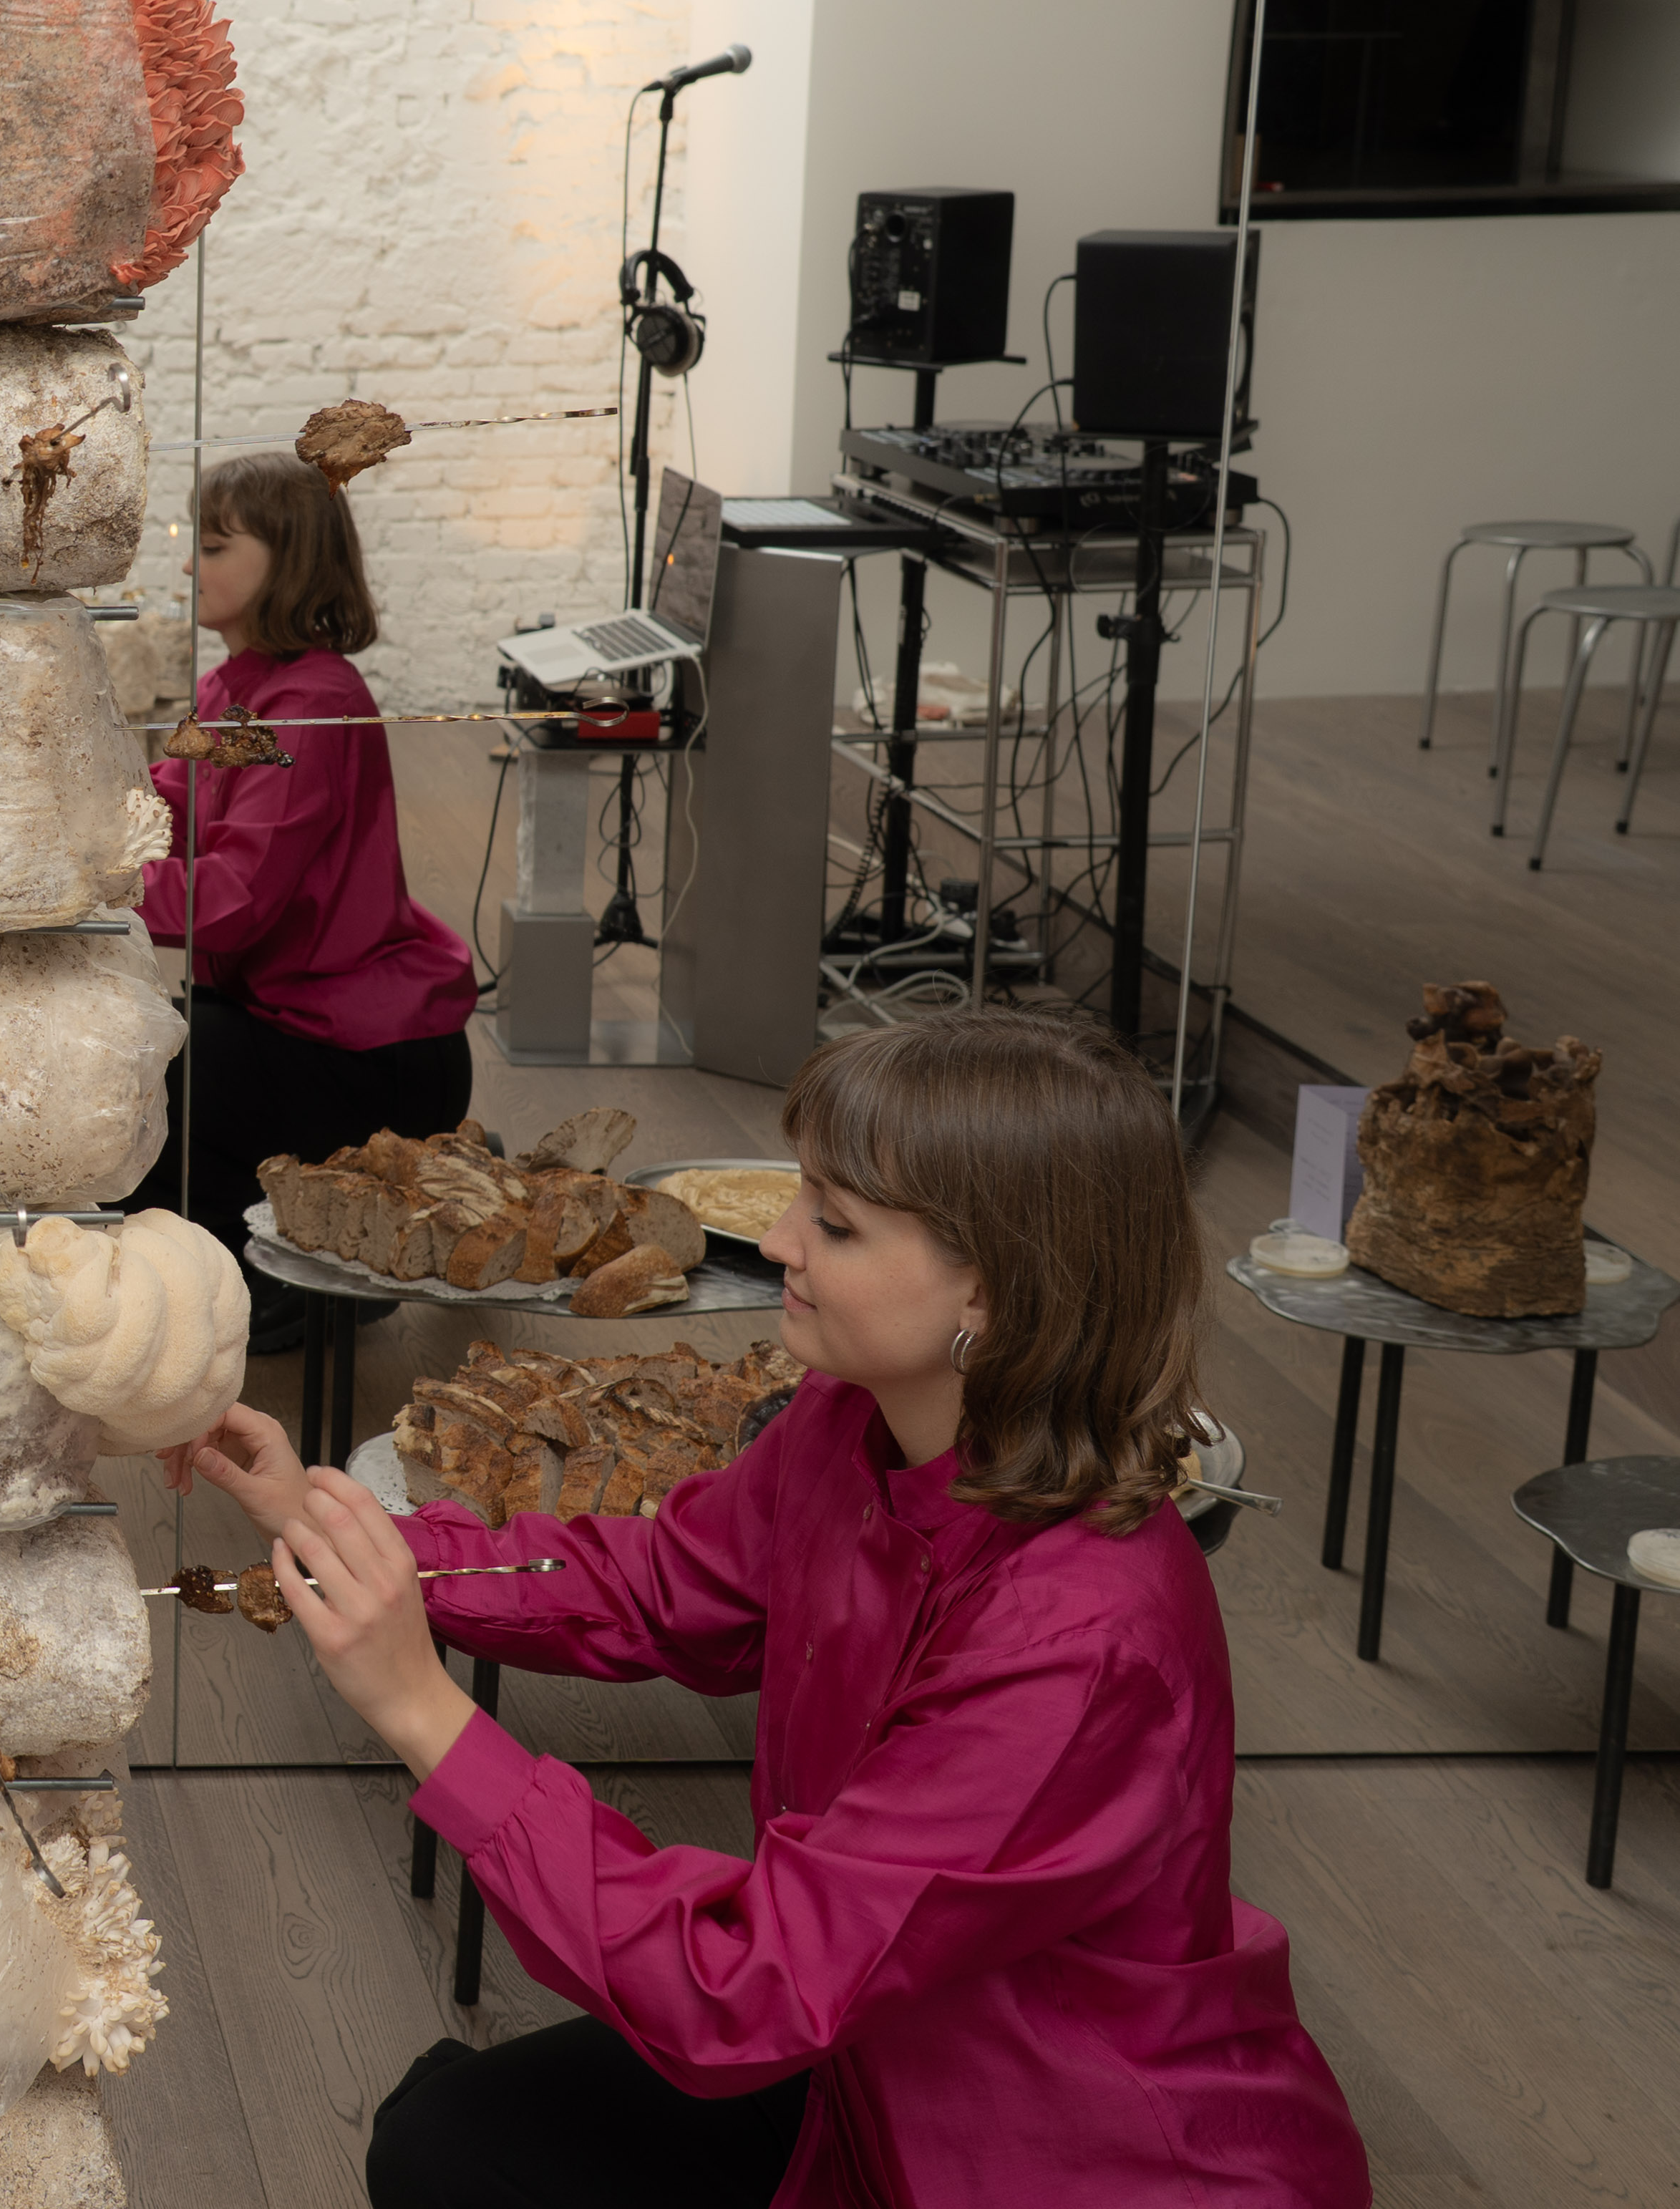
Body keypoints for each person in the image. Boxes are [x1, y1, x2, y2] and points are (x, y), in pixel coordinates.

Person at [170, 1010, 1369, 2208]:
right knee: (444, 2140)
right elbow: (660, 1580)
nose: (781, 1240)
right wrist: (352, 1537)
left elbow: (740, 1984)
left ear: (997, 1292)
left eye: (834, 1224)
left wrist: (421, 1712)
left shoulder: (1079, 1640)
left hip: (1056, 2154)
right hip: (870, 2051)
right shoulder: (850, 1422)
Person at [145, 454, 480, 1347]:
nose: (189, 565)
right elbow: (166, 808)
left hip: (363, 1056)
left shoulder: (308, 706)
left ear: (287, 559)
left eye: (214, 546)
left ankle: (325, 1270)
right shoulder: (238, 686)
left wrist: (87, 881)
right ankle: (322, 1241)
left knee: (143, 1076)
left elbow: (230, 901)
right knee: (149, 1050)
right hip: (299, 1022)